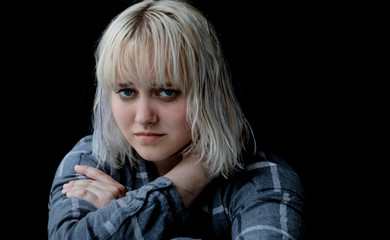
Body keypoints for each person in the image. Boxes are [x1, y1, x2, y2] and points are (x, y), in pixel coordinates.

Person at [48, 0, 305, 239]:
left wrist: (126, 217)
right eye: (127, 92)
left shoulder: (262, 181)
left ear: (209, 94)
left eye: (167, 92)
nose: (144, 117)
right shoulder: (90, 162)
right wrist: (194, 174)